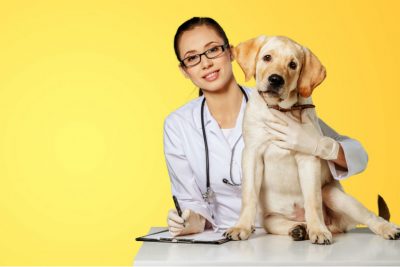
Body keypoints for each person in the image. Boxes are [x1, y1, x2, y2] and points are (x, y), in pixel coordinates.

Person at [163, 17, 368, 237]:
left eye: (213, 50)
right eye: (192, 58)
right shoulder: (178, 125)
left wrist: (320, 146)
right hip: (227, 240)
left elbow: (359, 156)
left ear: (231, 53)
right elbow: (192, 205)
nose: (206, 63)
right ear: (184, 70)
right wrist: (187, 221)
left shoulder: (281, 103)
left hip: (288, 233)